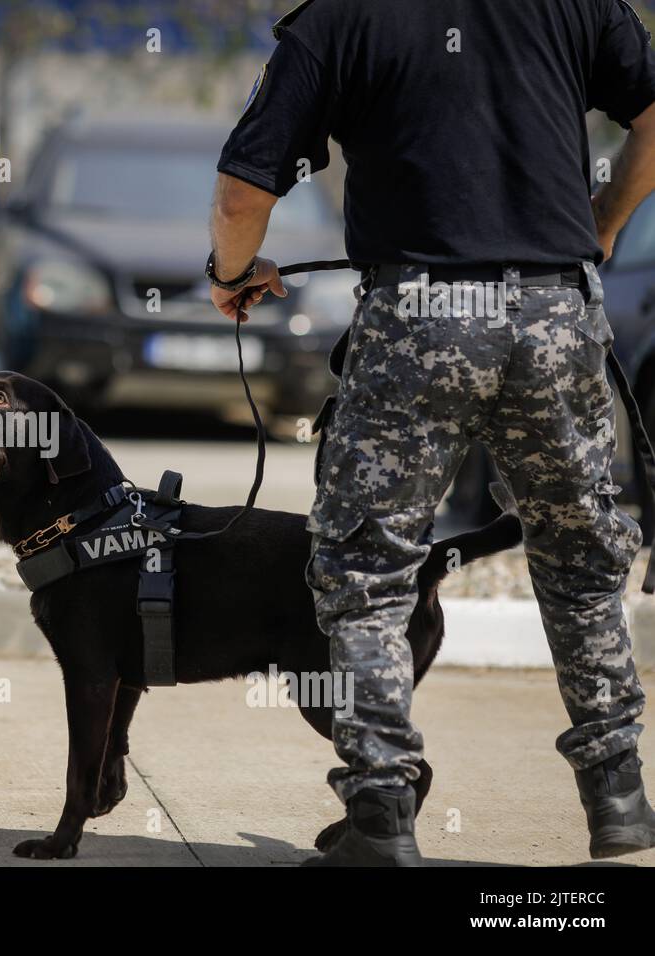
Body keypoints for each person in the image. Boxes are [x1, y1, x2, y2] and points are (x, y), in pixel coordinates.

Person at [208, 0, 655, 865]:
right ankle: (620, 795)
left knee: (369, 566)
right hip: (555, 315)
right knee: (581, 558)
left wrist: (231, 274)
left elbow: (240, 194)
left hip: (417, 322)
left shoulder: (337, 20)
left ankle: (382, 814)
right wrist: (601, 226)